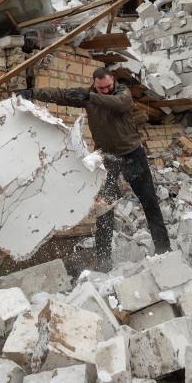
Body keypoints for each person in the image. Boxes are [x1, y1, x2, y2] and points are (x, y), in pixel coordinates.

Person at [19, 67, 172, 270]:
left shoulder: (122, 93)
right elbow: (61, 94)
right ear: (94, 84)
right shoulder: (90, 95)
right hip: (106, 159)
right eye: (101, 88)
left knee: (149, 202)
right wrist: (34, 93)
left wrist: (90, 97)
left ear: (113, 81)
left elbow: (117, 104)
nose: (106, 90)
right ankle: (104, 260)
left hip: (132, 156)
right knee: (104, 209)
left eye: (108, 86)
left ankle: (164, 251)